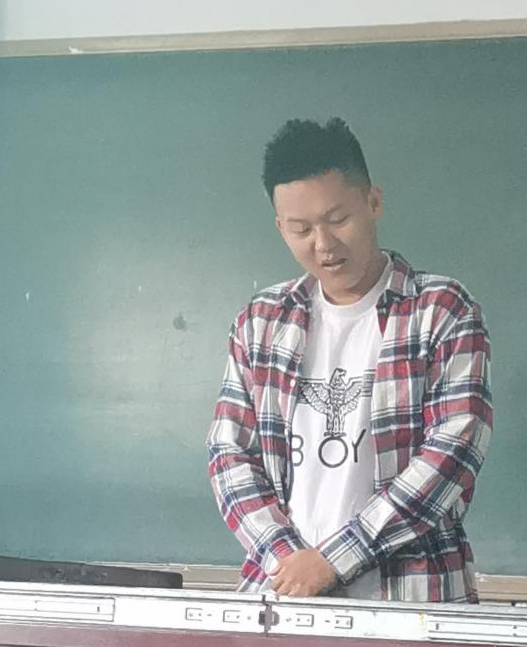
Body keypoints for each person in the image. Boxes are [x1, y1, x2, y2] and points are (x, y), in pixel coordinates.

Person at [207, 117, 492, 602]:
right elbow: (229, 454)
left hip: (413, 600)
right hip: (283, 597)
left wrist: (332, 562)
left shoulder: (441, 310)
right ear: (280, 227)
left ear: (373, 202)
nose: (323, 244)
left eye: (338, 220)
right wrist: (287, 560)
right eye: (301, 229)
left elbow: (453, 451)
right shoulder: (261, 322)